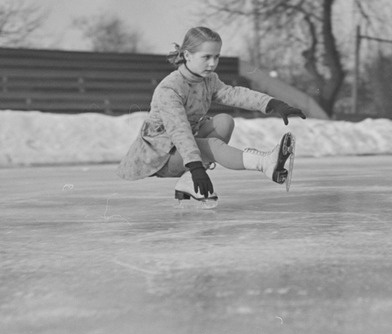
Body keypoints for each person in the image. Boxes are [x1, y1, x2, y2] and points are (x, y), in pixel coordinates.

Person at [116, 26, 306, 204]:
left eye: (216, 57)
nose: (212, 63)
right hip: (161, 156)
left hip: (183, 146)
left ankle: (188, 182)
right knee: (211, 145)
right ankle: (265, 163)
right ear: (187, 55)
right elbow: (179, 130)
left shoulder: (208, 80)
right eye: (206, 57)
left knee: (224, 121)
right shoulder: (170, 89)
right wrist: (196, 166)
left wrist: (272, 103)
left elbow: (233, 94)